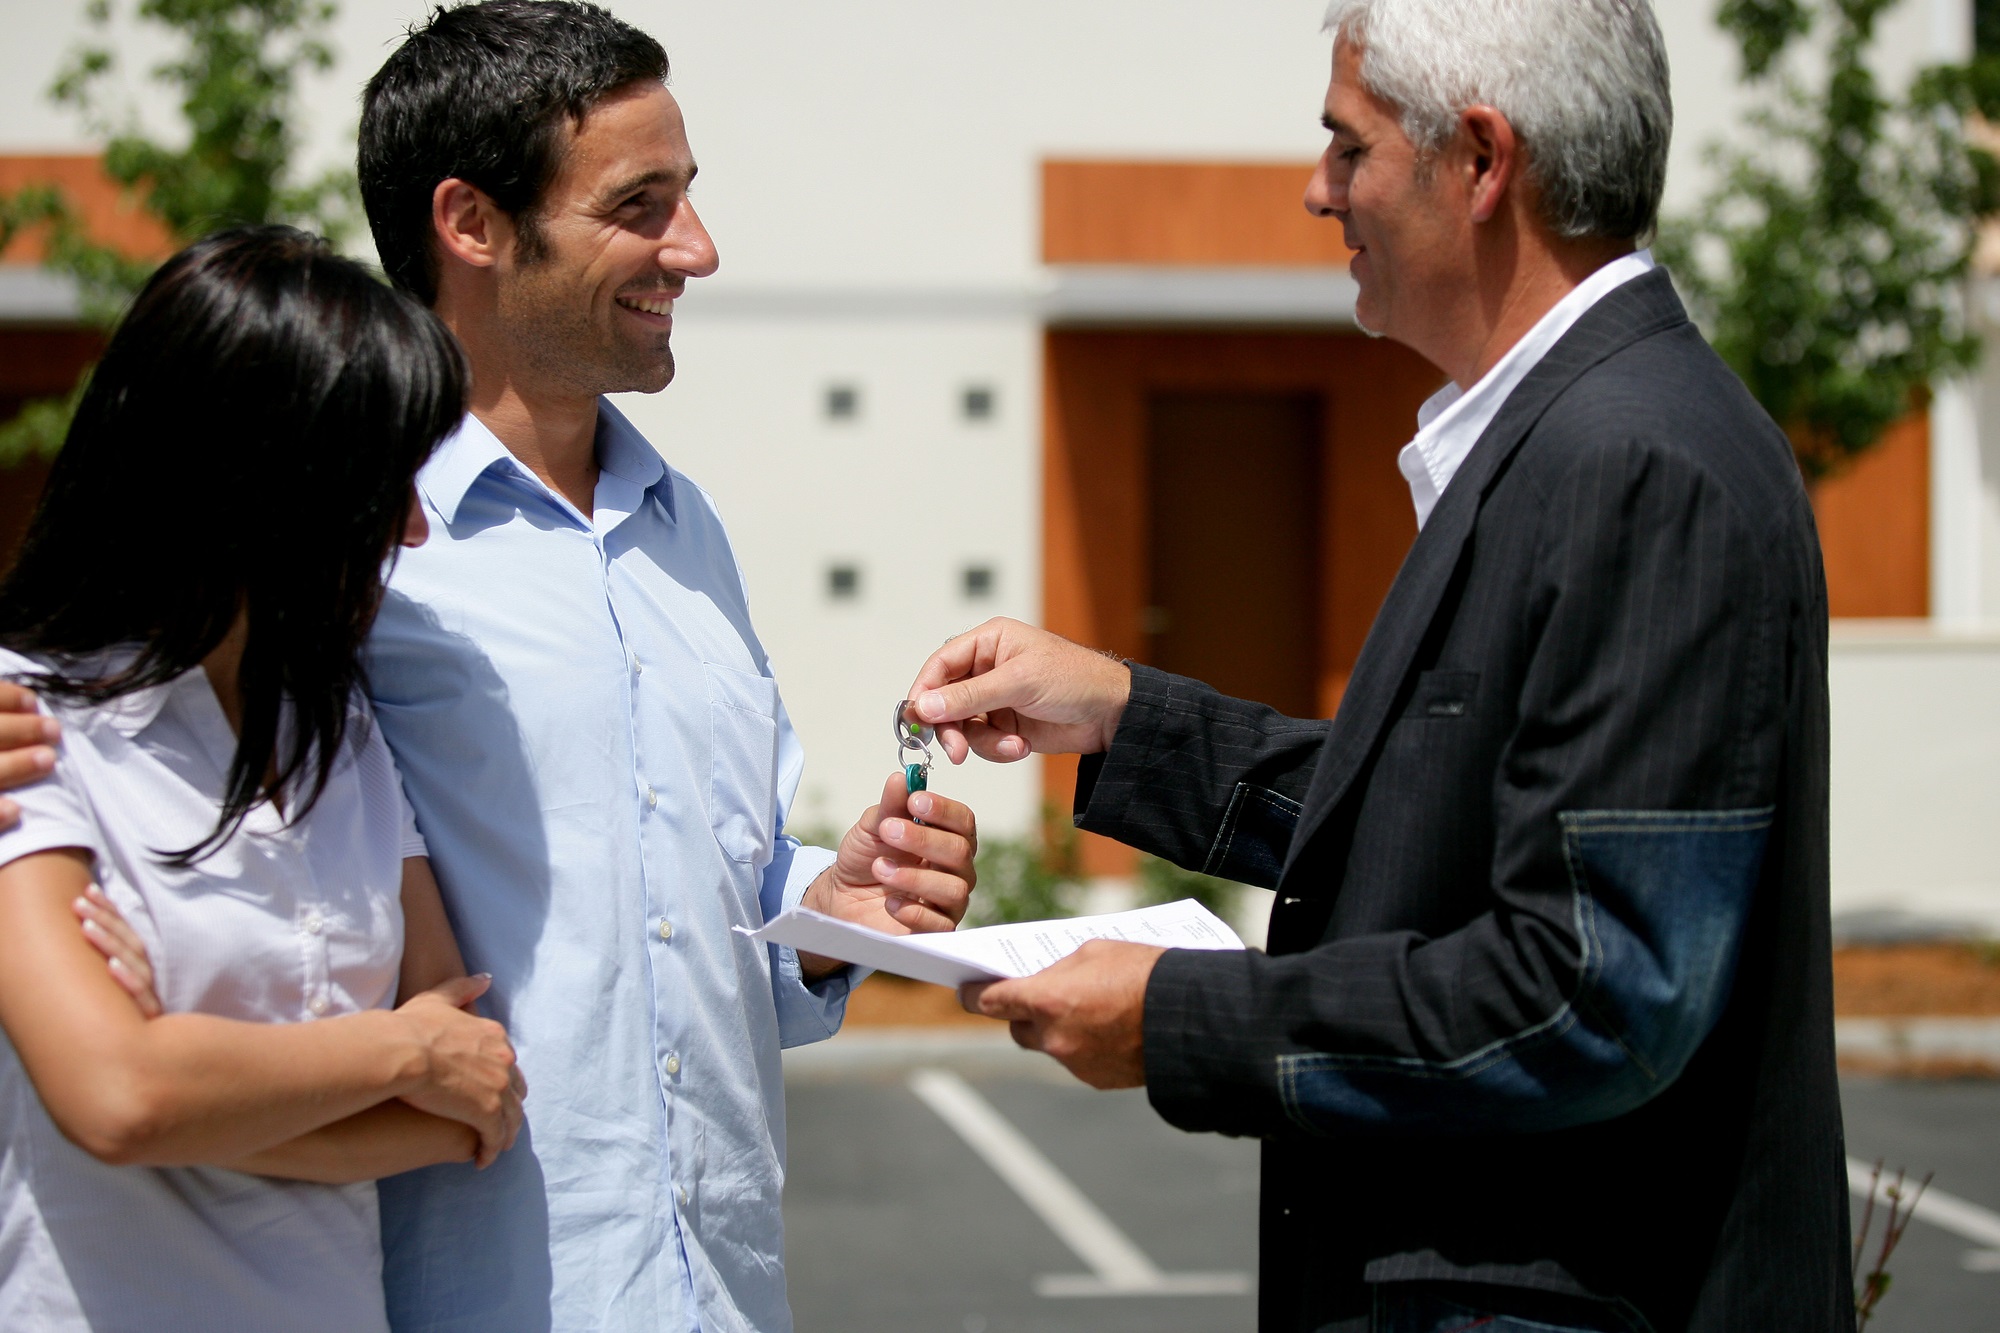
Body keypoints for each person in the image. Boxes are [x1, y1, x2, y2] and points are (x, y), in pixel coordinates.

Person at [27, 4, 979, 1331]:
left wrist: (834, 915)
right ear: (471, 224)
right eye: (640, 206)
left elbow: (707, 910)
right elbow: (108, 712)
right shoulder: (327, 544)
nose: (696, 249)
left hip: (720, 1295)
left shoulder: (682, 531)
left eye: (688, 196)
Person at [904, 2, 1850, 1330]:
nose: (1317, 191)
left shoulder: (1634, 469)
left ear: (1479, 161)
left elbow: (1595, 992)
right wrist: (1126, 716)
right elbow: (1433, 819)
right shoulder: (1574, 442)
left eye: (1347, 149)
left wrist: (1182, 1022)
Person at [0, 226, 524, 1332]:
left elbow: (472, 1105)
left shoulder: (342, 727)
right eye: (383, 485)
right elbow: (116, 1096)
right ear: (259, 487)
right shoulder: (30, 722)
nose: (416, 530)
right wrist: (397, 1048)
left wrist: (197, 1078)